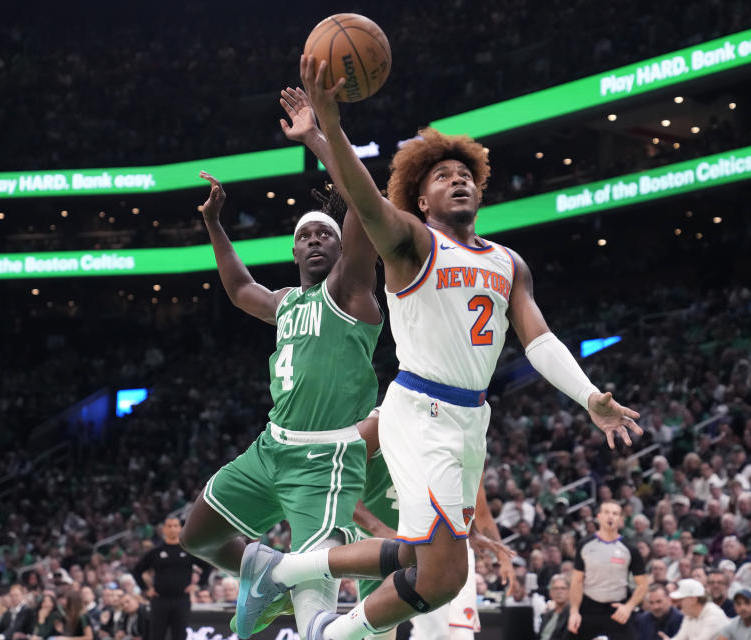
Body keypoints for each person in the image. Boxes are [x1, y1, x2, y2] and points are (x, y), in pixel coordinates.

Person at [235, 53, 641, 640]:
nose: (458, 179)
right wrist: (326, 129)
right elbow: (364, 197)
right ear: (421, 201)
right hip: (419, 414)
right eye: (442, 175)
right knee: (442, 573)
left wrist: (587, 398)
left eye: (465, 173)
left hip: (471, 419)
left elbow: (540, 339)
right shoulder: (411, 244)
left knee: (435, 575)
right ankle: (325, 630)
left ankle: (281, 571)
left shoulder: (508, 262)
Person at [179, 85, 383, 638]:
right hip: (271, 448)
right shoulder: (286, 303)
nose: (315, 240)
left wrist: (317, 135)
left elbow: (365, 207)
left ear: (342, 251)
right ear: (294, 252)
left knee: (318, 599)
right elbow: (240, 287)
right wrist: (215, 226)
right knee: (195, 536)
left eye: (326, 234)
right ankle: (265, 571)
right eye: (305, 236)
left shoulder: (352, 293)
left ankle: (304, 598)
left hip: (326, 459)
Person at [351, 409, 515, 640]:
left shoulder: (454, 429)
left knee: (442, 633)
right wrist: (380, 530)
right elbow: (336, 488)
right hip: (381, 546)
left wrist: (473, 531)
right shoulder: (377, 423)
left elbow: (463, 494)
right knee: (379, 635)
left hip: (430, 542)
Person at [567, 501, 649, 640]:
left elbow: (643, 584)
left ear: (621, 520)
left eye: (615, 513)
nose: (610, 516)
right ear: (599, 517)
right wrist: (574, 612)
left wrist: (628, 607)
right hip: (589, 607)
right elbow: (577, 581)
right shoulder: (584, 545)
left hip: (617, 608)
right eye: (606, 512)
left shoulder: (630, 549)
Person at [133, 517, 210, 640]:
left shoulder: (189, 550)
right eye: (169, 526)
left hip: (181, 600)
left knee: (179, 636)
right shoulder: (156, 551)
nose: (172, 529)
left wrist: (199, 585)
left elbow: (207, 566)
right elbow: (137, 571)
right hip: (159, 600)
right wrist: (146, 589)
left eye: (175, 526)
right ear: (164, 529)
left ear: (180, 528)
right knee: (156, 635)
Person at [663, 579, 729, 640]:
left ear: (693, 599)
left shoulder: (714, 615)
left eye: (681, 599)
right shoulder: (689, 615)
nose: (679, 604)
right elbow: (680, 637)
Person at [538, 575, 572, 640]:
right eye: (555, 588)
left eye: (563, 588)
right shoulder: (547, 615)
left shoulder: (572, 615)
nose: (559, 592)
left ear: (570, 591)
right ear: (551, 592)